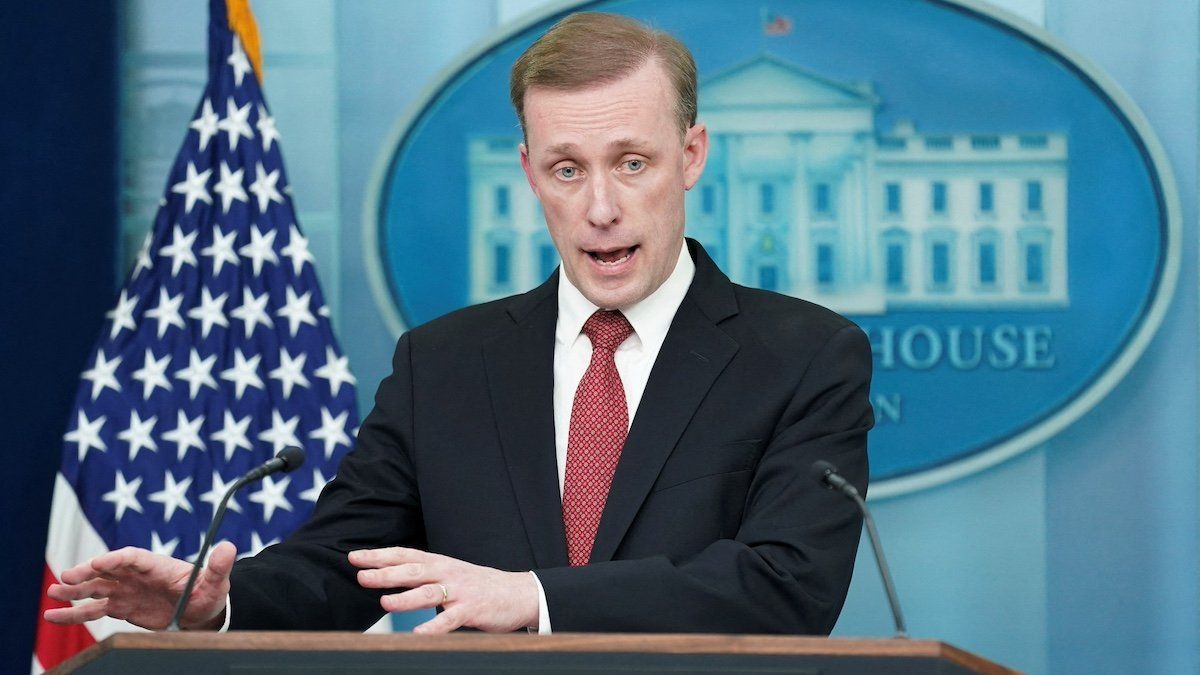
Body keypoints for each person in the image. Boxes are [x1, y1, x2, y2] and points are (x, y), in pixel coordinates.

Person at [45, 12, 872, 635]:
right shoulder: (443, 364)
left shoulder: (803, 357)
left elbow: (785, 584)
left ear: (689, 156)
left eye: (631, 162)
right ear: (528, 172)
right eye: (566, 170)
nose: (601, 208)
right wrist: (217, 604)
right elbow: (344, 564)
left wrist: (536, 596)